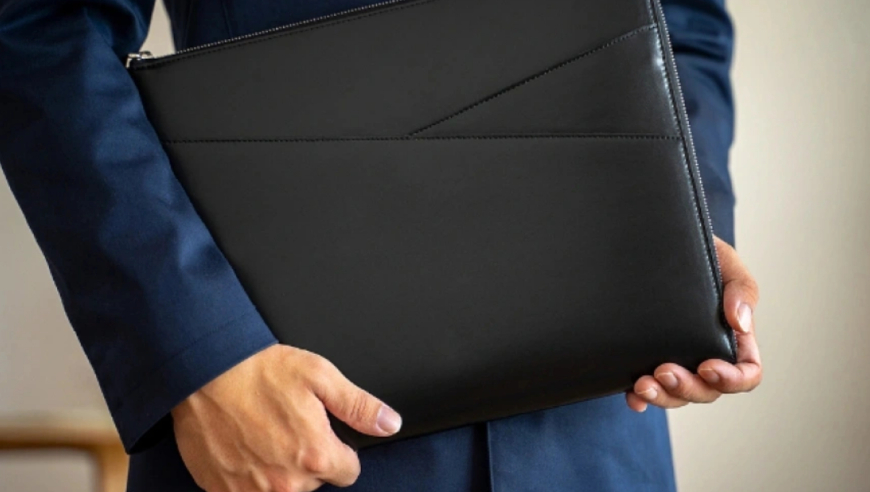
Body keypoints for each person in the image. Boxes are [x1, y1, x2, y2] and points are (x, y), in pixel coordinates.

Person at [0, 0, 760, 490]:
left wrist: (688, 237)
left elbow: (682, 21)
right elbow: (42, 27)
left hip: (597, 428)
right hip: (281, 412)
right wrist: (200, 358)